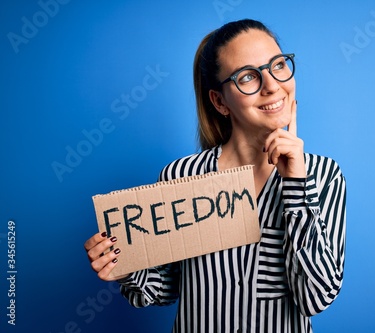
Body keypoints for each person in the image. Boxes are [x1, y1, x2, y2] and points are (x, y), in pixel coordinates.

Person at [84, 18, 346, 332]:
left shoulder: (325, 176)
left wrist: (296, 188)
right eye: (248, 76)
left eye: (278, 65)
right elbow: (165, 287)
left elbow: (315, 298)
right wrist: (121, 264)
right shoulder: (182, 176)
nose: (273, 85)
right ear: (220, 101)